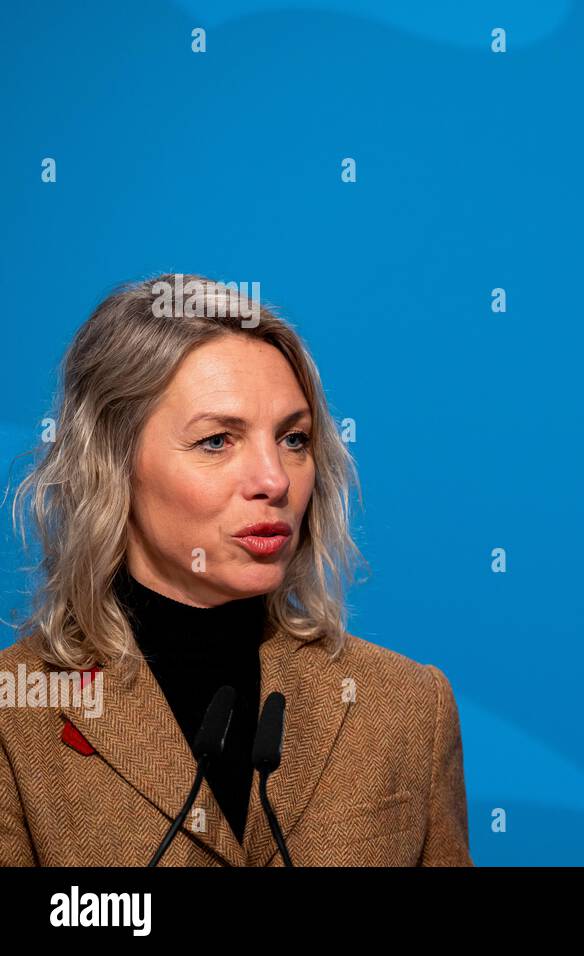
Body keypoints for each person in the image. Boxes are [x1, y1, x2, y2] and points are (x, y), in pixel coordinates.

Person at [0, 275, 472, 866]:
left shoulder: (405, 704)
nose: (274, 480)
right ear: (112, 464)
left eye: (293, 439)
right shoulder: (13, 716)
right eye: (218, 440)